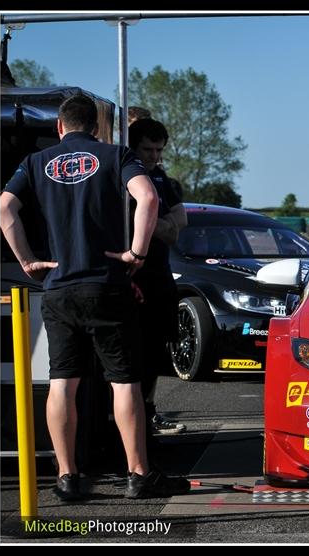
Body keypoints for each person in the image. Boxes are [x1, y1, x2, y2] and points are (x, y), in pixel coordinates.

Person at [0, 94, 189, 501]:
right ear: (96, 127)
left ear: (59, 127)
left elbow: (4, 209)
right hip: (107, 285)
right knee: (124, 384)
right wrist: (137, 253)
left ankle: (67, 477)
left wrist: (28, 260)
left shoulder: (35, 163)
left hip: (59, 287)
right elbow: (150, 198)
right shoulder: (116, 155)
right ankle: (138, 474)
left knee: (62, 383)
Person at [128, 118, 188, 437]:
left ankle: (149, 411)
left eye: (158, 150)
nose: (154, 157)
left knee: (155, 353)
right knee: (132, 355)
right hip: (134, 280)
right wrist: (163, 227)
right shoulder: (127, 177)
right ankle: (130, 418)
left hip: (160, 279)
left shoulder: (161, 178)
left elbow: (180, 221)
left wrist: (160, 226)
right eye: (148, 149)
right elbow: (161, 225)